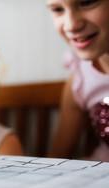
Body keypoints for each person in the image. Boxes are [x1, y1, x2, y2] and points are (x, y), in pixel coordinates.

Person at [46, 0, 109, 161]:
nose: (71, 25)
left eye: (87, 3)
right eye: (58, 9)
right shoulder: (80, 80)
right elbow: (56, 158)